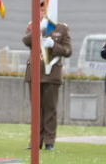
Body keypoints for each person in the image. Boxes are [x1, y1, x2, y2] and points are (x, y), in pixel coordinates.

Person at [22, 17, 72, 150]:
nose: (43, 13)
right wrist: (39, 29)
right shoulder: (33, 26)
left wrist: (53, 45)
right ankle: (35, 141)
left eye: (45, 10)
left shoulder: (61, 28)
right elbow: (26, 41)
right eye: (41, 10)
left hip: (51, 73)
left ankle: (49, 141)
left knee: (50, 109)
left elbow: (68, 51)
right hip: (35, 73)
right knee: (36, 109)